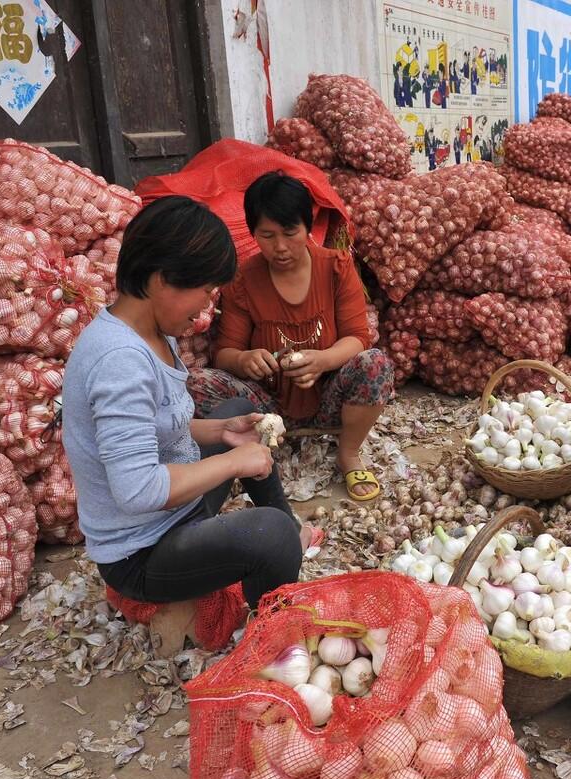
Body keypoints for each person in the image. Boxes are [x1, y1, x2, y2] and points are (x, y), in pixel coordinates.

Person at [63, 196, 311, 633]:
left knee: (241, 415)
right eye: (204, 291)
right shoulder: (119, 361)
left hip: (175, 514)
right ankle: (271, 636)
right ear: (162, 280)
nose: (206, 308)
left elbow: (159, 427)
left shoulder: (154, 333)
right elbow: (137, 490)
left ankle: (289, 532)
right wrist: (233, 462)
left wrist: (223, 431)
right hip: (141, 552)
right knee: (270, 536)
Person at [188, 173, 394, 502]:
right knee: (197, 382)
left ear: (308, 227)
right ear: (253, 232)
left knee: (375, 364)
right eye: (267, 235)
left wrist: (322, 360)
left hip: (330, 398)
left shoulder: (336, 268)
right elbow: (225, 353)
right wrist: (245, 359)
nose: (280, 247)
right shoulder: (244, 279)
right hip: (265, 407)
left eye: (290, 232)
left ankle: (349, 454)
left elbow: (357, 338)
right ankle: (256, 447)